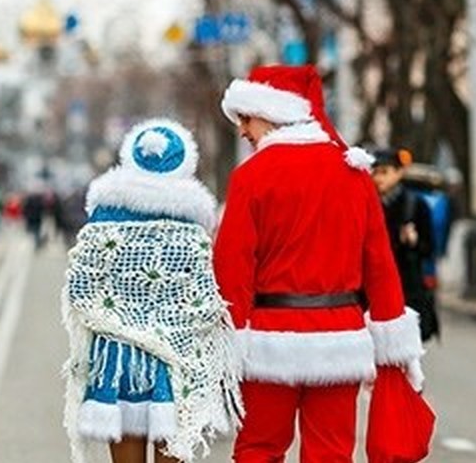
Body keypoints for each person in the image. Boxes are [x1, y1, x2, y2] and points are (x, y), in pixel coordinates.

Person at [214, 65, 425, 463]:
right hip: (339, 340)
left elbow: (232, 269)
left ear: (272, 112)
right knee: (330, 453)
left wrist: (228, 343)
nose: (243, 130)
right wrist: (391, 336)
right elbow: (379, 263)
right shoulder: (354, 174)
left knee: (259, 449)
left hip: (267, 343)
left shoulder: (250, 177)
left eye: (246, 118)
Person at [62, 118, 242, 463]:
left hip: (117, 361)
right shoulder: (192, 222)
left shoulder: (104, 214)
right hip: (177, 362)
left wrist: (119, 321)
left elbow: (80, 291)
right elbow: (206, 302)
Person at [372, 148, 440, 342]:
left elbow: (429, 249)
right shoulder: (367, 203)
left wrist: (414, 241)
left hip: (407, 289)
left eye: (384, 172)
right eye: (375, 172)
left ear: (399, 172)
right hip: (374, 291)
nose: (378, 178)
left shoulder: (415, 205)